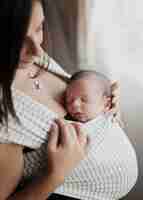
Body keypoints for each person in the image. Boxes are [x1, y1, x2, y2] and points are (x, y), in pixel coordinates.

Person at [0, 1, 138, 200]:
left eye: (39, 28)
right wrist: (55, 174)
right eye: (18, 41)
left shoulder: (30, 58)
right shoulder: (6, 118)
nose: (38, 51)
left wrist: (102, 101)